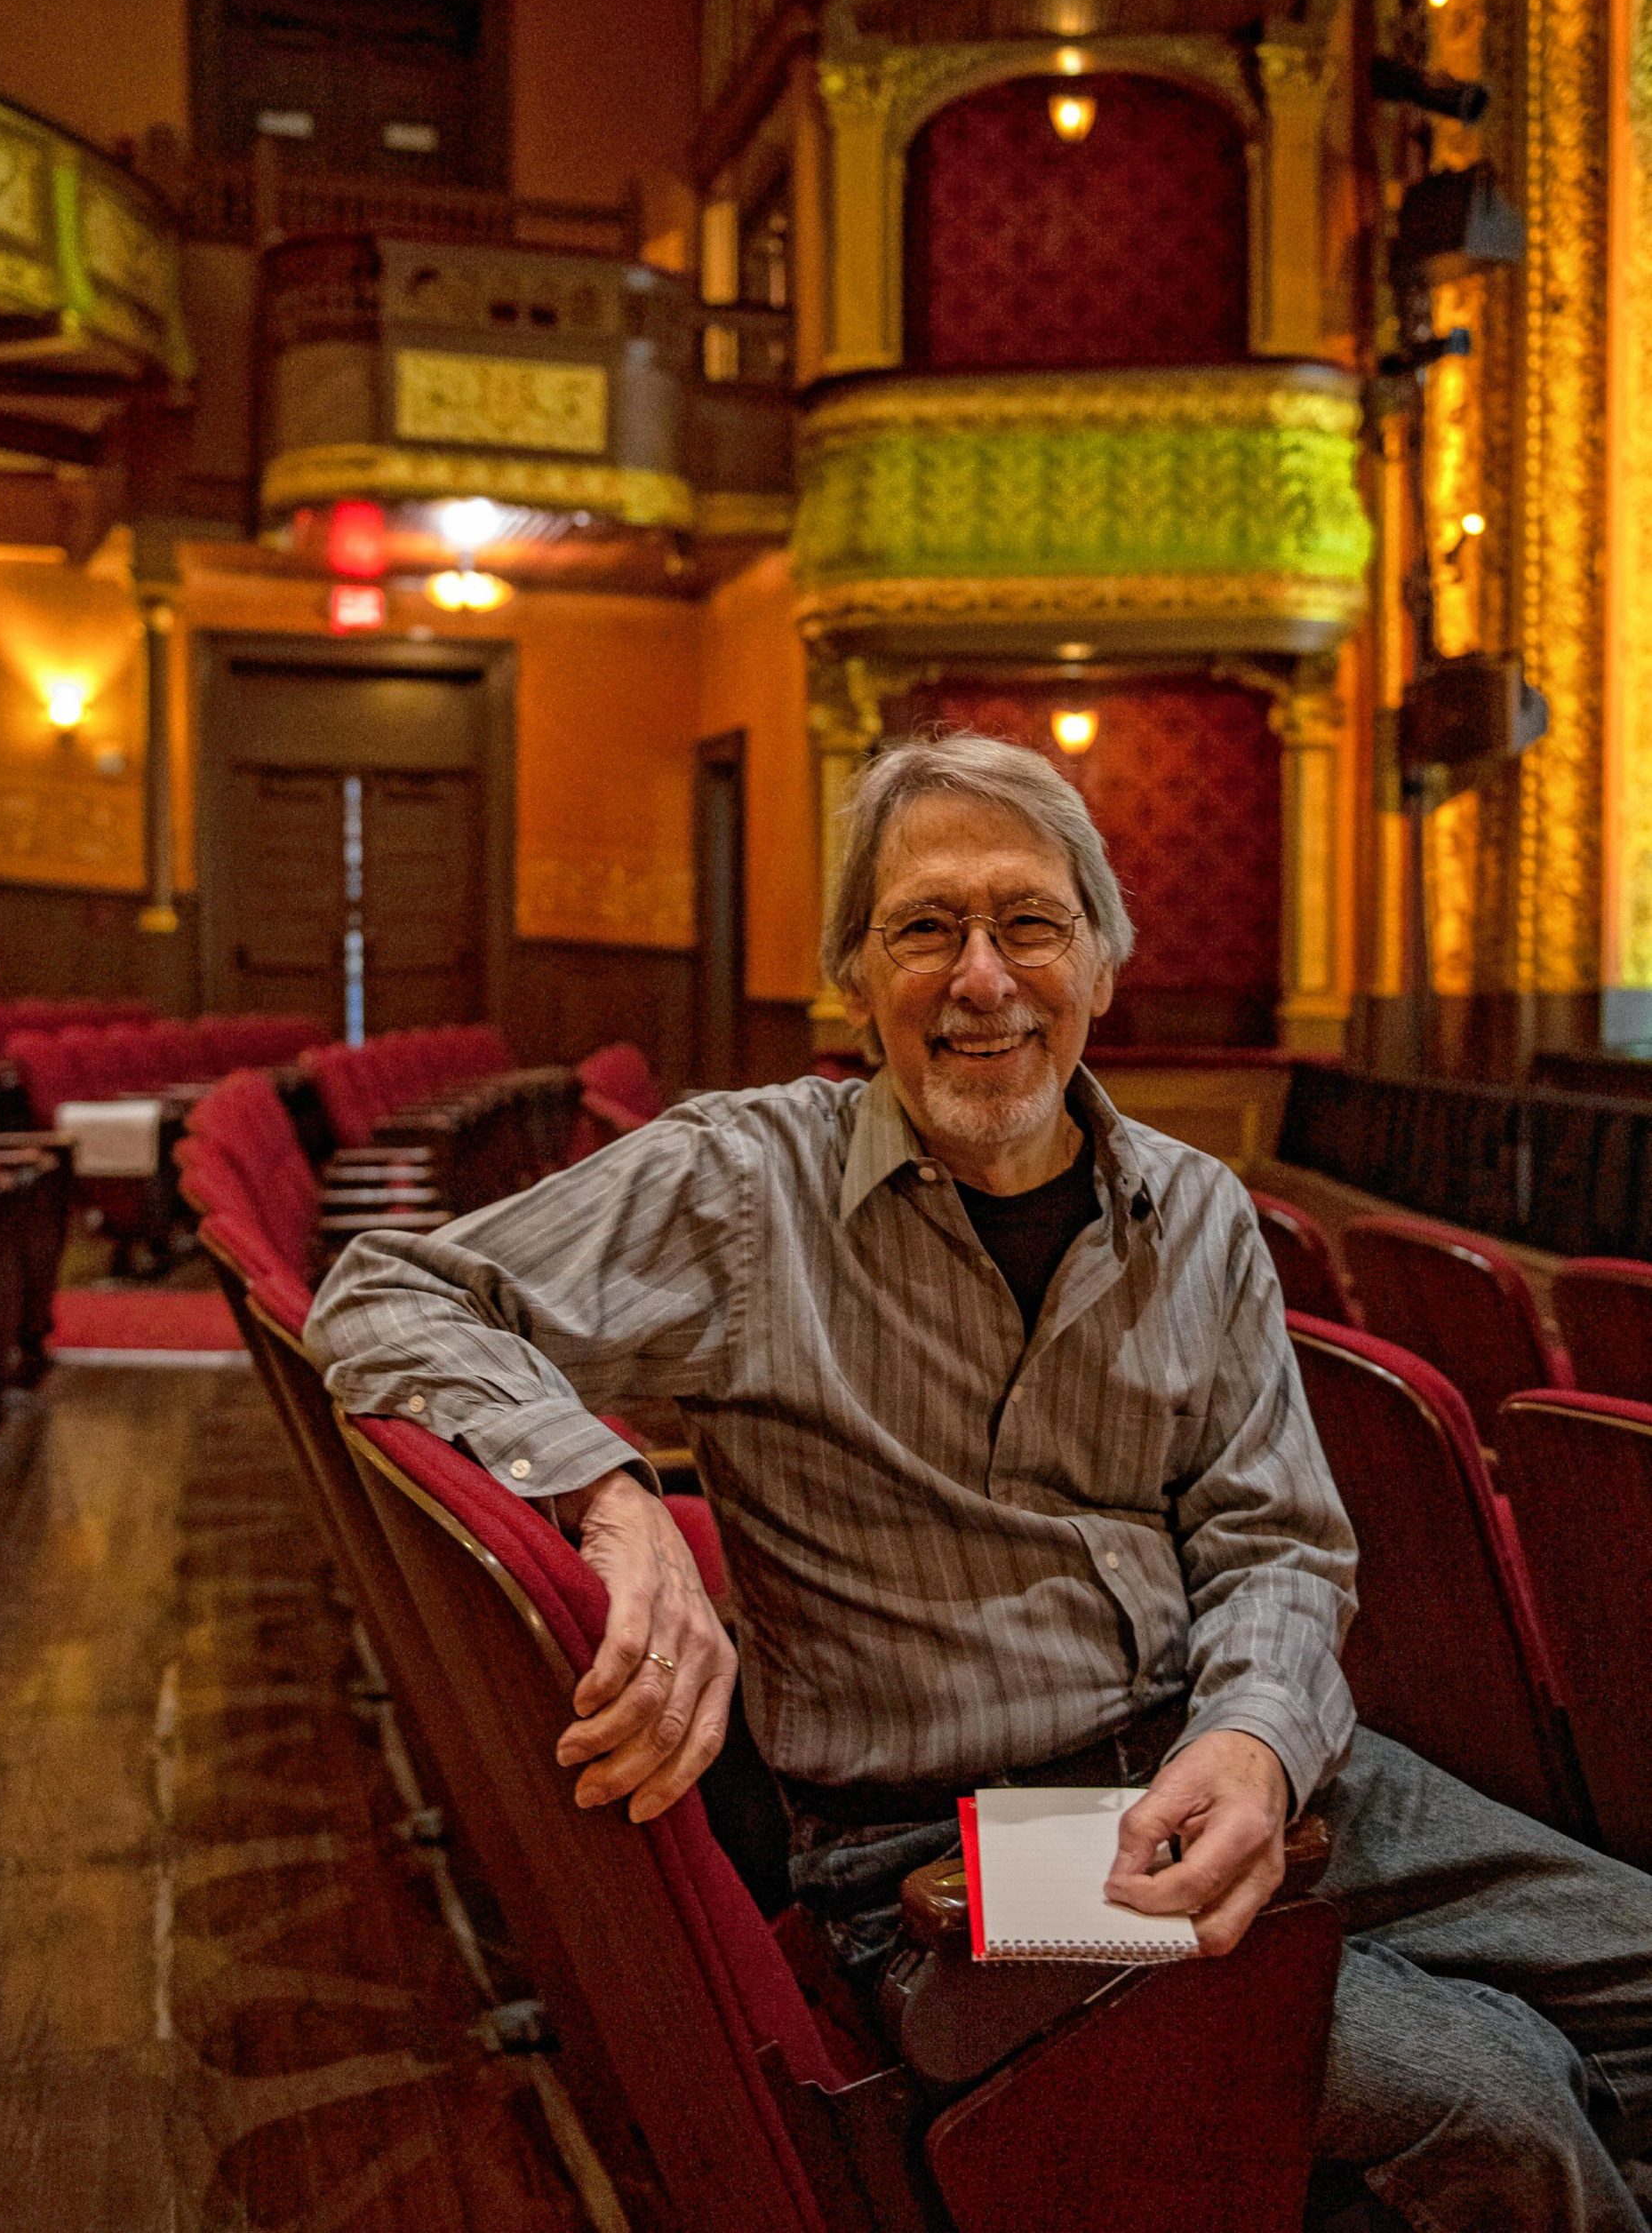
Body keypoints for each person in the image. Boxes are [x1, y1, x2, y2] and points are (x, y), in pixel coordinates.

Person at [308, 731, 1652, 2232]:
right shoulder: (742, 1184)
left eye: (1027, 923)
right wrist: (613, 1503)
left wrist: (1261, 1745)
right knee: (1499, 2093)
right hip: (951, 1855)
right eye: (924, 928)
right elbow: (381, 1295)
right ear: (854, 977)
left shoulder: (1195, 1209)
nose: (981, 979)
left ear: (1099, 961)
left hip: (1233, 1761)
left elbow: (1275, 1544)